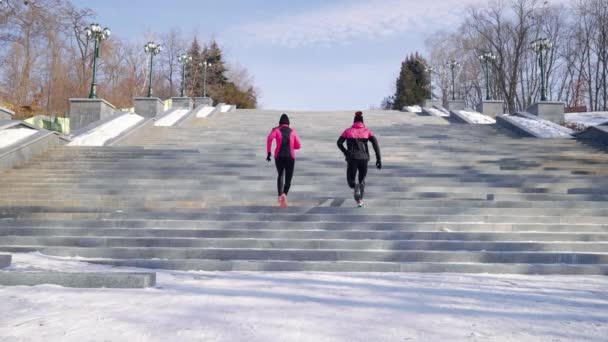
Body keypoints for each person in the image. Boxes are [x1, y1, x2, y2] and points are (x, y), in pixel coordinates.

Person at [337, 111, 382, 207]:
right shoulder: (367, 131)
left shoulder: (348, 131)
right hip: (364, 158)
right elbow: (375, 144)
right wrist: (378, 159)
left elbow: (339, 143)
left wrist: (346, 153)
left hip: (352, 158)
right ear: (362, 122)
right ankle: (360, 200)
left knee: (351, 181)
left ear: (354, 122)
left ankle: (355, 188)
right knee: (362, 181)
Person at [267, 113, 301, 208]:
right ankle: (285, 194)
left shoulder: (276, 130)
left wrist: (269, 152)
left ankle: (279, 195)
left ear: (280, 123)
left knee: (280, 175)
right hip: (290, 157)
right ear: (288, 123)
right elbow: (298, 146)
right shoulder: (293, 131)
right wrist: (292, 145)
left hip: (279, 156)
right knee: (288, 177)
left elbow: (269, 139)